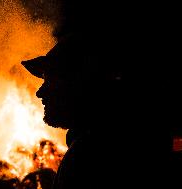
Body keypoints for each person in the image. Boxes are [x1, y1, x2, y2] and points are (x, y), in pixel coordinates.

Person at [21, 28, 176, 188]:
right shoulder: (135, 138)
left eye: (50, 81)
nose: (40, 92)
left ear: (80, 83)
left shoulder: (91, 154)